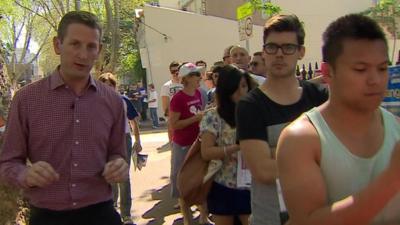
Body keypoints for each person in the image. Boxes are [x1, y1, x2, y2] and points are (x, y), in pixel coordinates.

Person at [0, 11, 128, 225]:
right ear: (57, 45)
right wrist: (26, 174)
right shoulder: (26, 100)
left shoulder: (113, 101)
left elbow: (118, 154)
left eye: (91, 46)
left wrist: (118, 165)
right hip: (47, 216)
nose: (83, 54)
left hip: (101, 213)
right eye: (75, 44)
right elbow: (7, 164)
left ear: (99, 50)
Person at [276, 14, 400, 225]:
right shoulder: (301, 139)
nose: (375, 80)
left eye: (382, 68)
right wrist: (390, 181)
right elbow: (308, 221)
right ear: (327, 72)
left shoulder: (394, 126)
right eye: (360, 69)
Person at [236, 14, 328, 225]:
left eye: (288, 47)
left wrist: (277, 152)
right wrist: (317, 156)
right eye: (272, 47)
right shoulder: (250, 106)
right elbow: (263, 171)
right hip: (270, 218)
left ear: (301, 52)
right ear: (263, 51)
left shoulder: (319, 97)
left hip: (318, 215)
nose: (279, 54)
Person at [200, 65, 255, 225]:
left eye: (244, 86)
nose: (240, 91)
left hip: (252, 186)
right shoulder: (213, 116)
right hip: (223, 185)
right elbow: (206, 152)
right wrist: (236, 148)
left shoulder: (256, 113)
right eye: (235, 87)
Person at [98, 73, 142, 225]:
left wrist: (138, 141)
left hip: (123, 139)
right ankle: (112, 209)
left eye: (110, 85)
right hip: (105, 142)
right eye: (104, 85)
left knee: (123, 177)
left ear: (114, 86)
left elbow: (134, 122)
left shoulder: (123, 100)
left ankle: (126, 214)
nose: (107, 88)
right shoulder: (96, 103)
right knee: (109, 176)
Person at [169, 62, 208, 225]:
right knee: (183, 182)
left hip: (198, 143)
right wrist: (195, 118)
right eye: (196, 75)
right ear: (187, 78)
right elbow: (174, 124)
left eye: (199, 74)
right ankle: (187, 221)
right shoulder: (178, 98)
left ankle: (204, 219)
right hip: (183, 145)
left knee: (202, 180)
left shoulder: (199, 93)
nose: (200, 77)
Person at [158, 61, 183, 151]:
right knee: (176, 149)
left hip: (188, 120)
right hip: (174, 121)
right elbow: (166, 106)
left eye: (177, 71)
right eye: (173, 71)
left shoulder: (187, 84)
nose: (175, 73)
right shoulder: (167, 86)